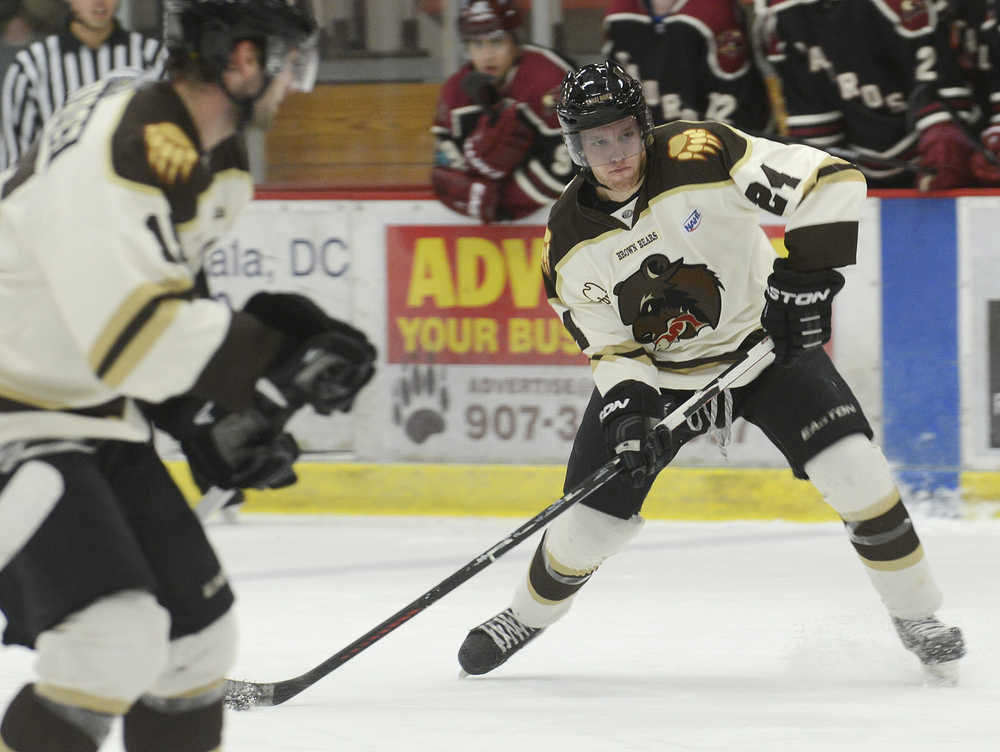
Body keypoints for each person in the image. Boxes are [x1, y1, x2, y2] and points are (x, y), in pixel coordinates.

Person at [456, 60, 965, 685]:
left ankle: (918, 618)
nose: (614, 154)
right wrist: (630, 412)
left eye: (622, 134)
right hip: (664, 380)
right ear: (575, 147)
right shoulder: (565, 242)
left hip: (762, 351)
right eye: (596, 141)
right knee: (589, 529)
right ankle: (524, 616)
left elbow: (831, 180)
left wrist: (803, 281)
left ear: (643, 126)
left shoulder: (702, 152)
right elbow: (611, 348)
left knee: (855, 469)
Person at [0, 2, 378, 751]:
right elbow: (133, 336)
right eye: (289, 62)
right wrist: (270, 366)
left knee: (193, 647)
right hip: (15, 417)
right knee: (112, 639)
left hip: (84, 411)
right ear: (243, 58)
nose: (292, 86)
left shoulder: (201, 149)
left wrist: (199, 419)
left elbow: (150, 310)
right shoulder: (132, 144)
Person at [757, 0, 978, 189]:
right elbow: (810, 105)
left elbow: (937, 73)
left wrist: (943, 137)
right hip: (858, 171)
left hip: (935, 162)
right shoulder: (784, 12)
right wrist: (814, 171)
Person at [431, 0, 576, 223]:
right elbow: (446, 160)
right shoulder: (454, 92)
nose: (488, 55)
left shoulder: (548, 77)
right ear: (467, 49)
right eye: (477, 45)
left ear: (515, 42)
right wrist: (477, 191)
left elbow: (572, 159)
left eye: (497, 42)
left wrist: (505, 200)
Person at [0, 0, 165, 171]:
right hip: (58, 192)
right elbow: (14, 161)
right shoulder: (31, 66)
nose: (99, 2)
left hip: (131, 190)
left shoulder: (152, 57)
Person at [602, 0, 770, 132]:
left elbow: (741, 99)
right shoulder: (620, 18)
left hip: (721, 141)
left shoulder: (712, 14)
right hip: (654, 143)